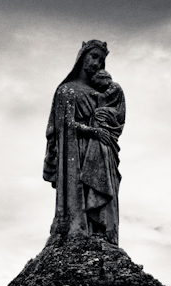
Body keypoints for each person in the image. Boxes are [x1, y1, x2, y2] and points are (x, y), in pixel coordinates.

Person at [43, 40, 126, 245]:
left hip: (102, 151)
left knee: (104, 195)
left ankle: (101, 232)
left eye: (102, 60)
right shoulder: (67, 91)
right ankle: (76, 230)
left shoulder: (104, 93)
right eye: (94, 57)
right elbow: (66, 126)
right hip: (76, 152)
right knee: (81, 191)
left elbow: (117, 119)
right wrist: (94, 131)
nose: (98, 63)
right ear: (82, 58)